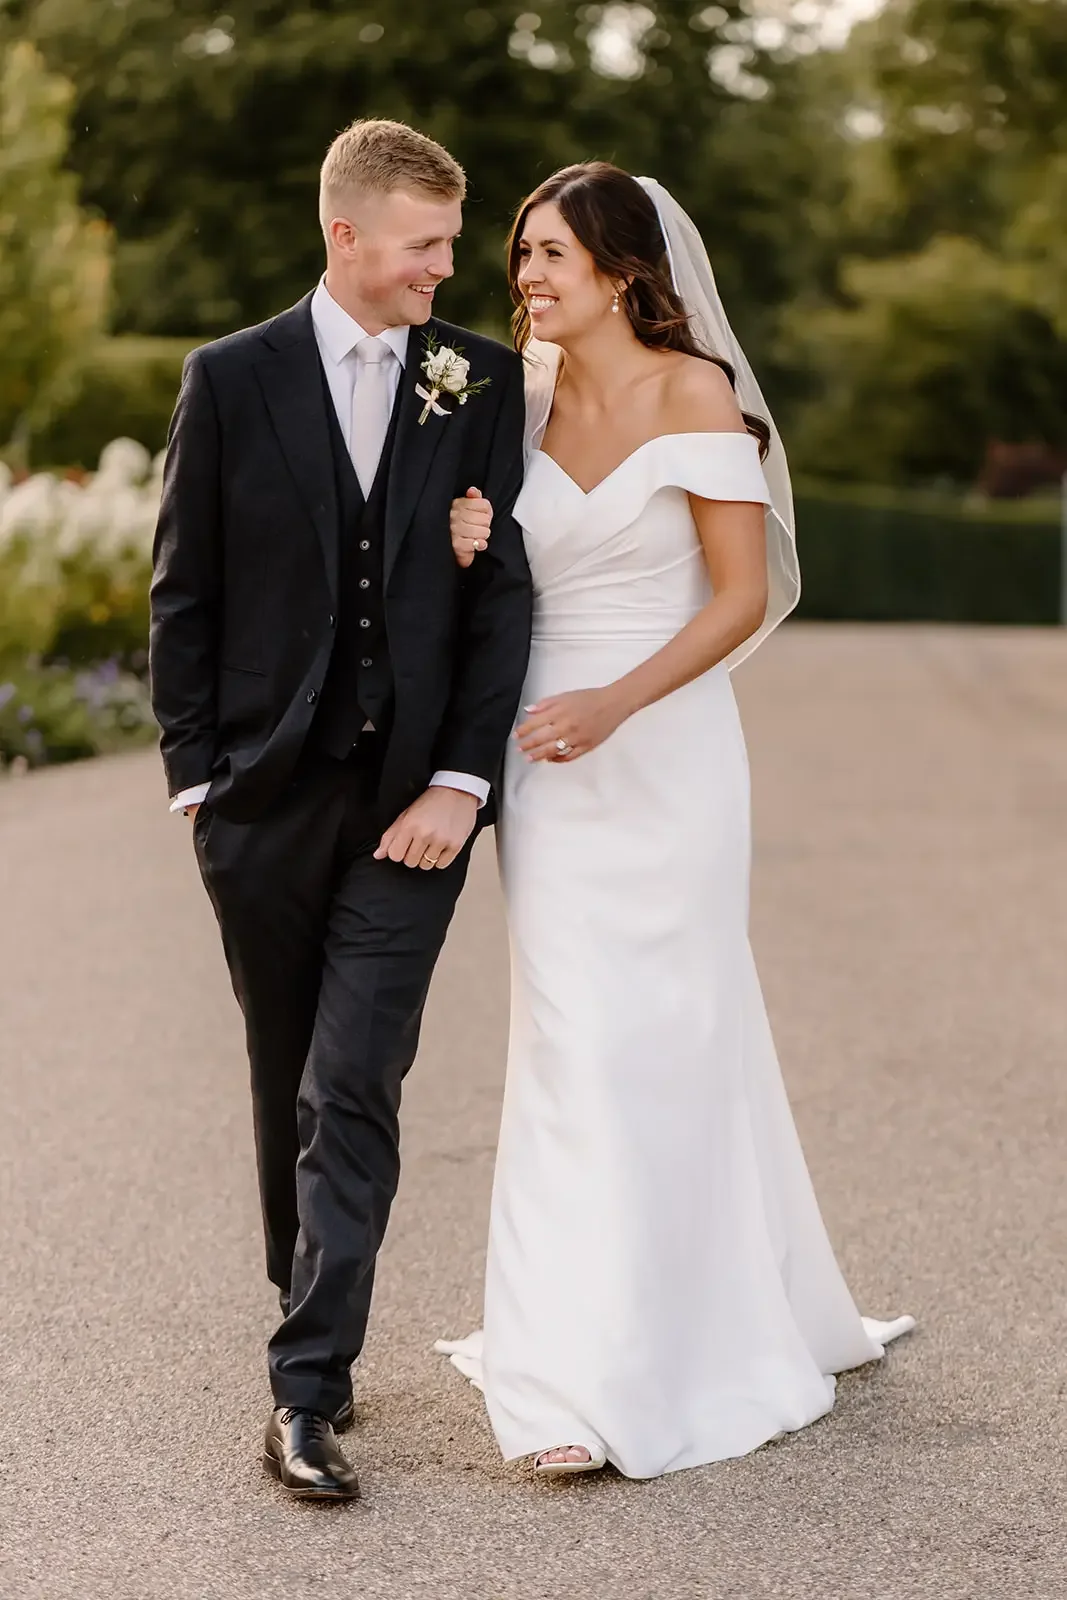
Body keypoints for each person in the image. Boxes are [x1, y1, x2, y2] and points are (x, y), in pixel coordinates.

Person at [437, 163, 913, 1480]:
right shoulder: (512, 401)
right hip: (547, 752)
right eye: (521, 253)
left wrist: (615, 702)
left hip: (664, 743)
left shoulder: (693, 391)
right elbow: (484, 568)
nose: (526, 276)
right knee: (572, 1037)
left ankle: (683, 1338)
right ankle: (563, 1374)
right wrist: (473, 536)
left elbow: (735, 599)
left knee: (673, 1026)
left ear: (624, 272)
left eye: (552, 255)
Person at [149, 119, 532, 1501]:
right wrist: (199, 781)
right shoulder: (231, 378)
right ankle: (303, 1301)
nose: (448, 268)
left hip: (410, 809)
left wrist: (460, 781)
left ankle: (304, 1395)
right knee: (284, 1079)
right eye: (427, 244)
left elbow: (504, 599)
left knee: (352, 1078)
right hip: (260, 801)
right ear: (348, 238)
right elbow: (182, 595)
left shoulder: (478, 381)